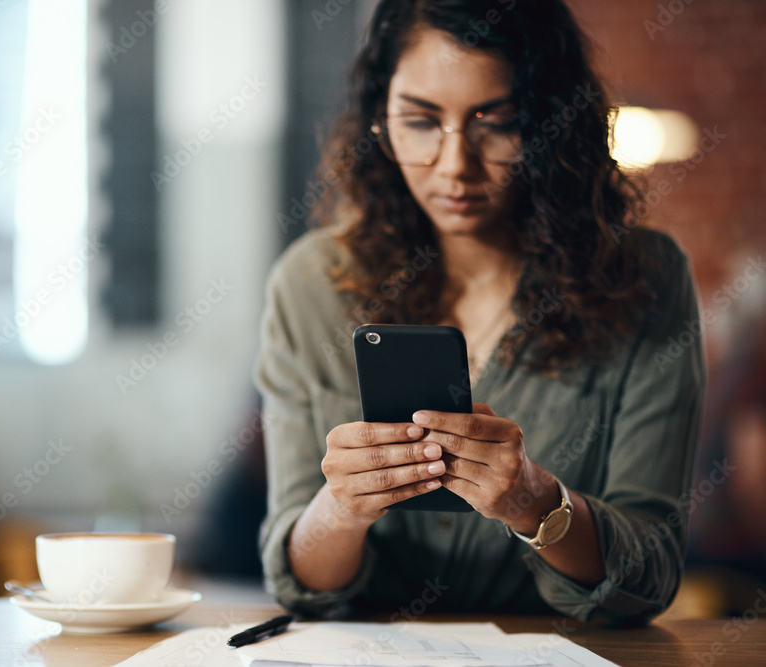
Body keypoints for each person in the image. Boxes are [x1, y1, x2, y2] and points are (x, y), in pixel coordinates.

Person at [254, 0, 705, 624]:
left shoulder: (647, 282)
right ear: (379, 119)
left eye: (496, 123)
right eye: (419, 121)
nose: (455, 165)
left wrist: (535, 502)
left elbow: (650, 578)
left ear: (551, 122)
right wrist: (341, 508)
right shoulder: (310, 284)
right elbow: (299, 582)